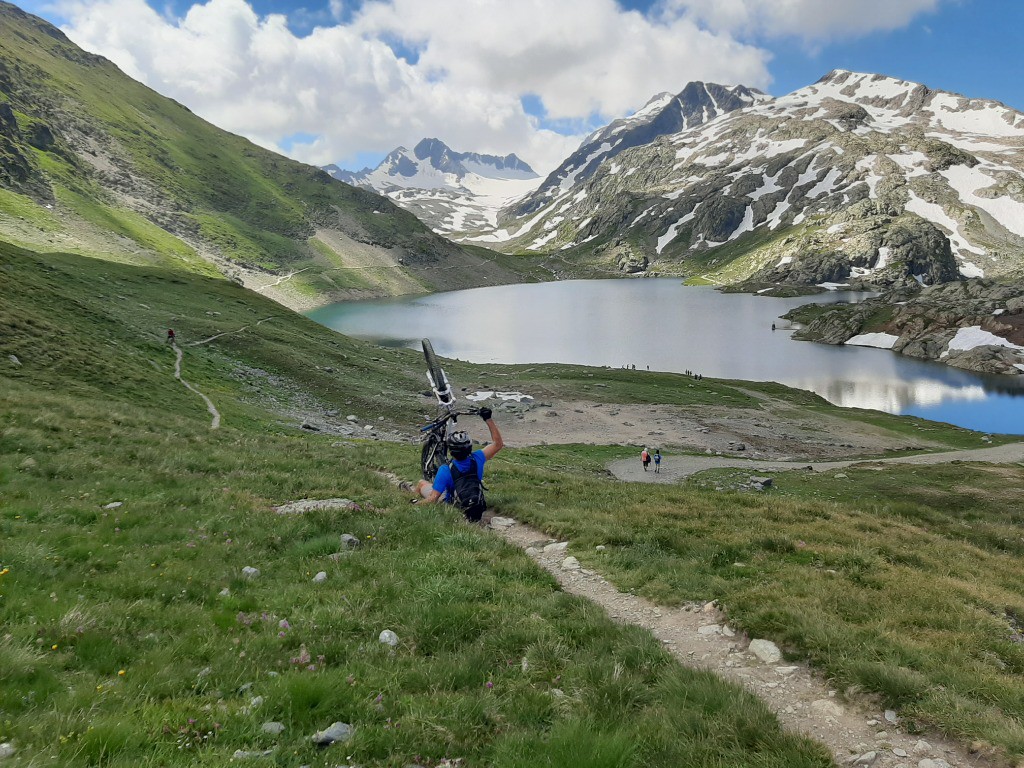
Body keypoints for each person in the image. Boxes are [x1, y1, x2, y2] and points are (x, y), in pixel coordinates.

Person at [416, 407, 504, 522]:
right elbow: (498, 444)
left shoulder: (445, 470)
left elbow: (433, 498)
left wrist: (415, 504)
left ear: (451, 451)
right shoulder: (478, 458)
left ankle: (412, 494)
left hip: (454, 506)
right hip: (475, 503)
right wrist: (488, 419)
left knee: (421, 483)